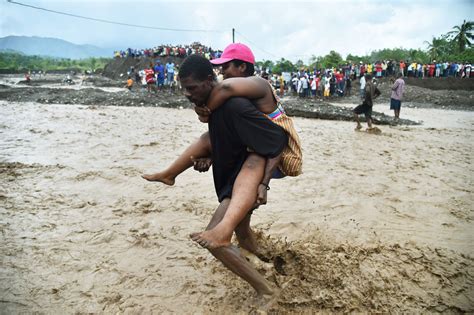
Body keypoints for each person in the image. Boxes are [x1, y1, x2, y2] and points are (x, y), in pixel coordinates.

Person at [178, 54, 289, 296]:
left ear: (243, 68)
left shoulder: (237, 99)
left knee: (218, 239)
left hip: (255, 171)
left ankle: (266, 290)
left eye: (227, 67)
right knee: (243, 230)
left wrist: (263, 185)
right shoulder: (224, 101)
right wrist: (212, 156)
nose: (223, 73)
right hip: (245, 167)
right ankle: (272, 265)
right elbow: (236, 140)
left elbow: (276, 141)